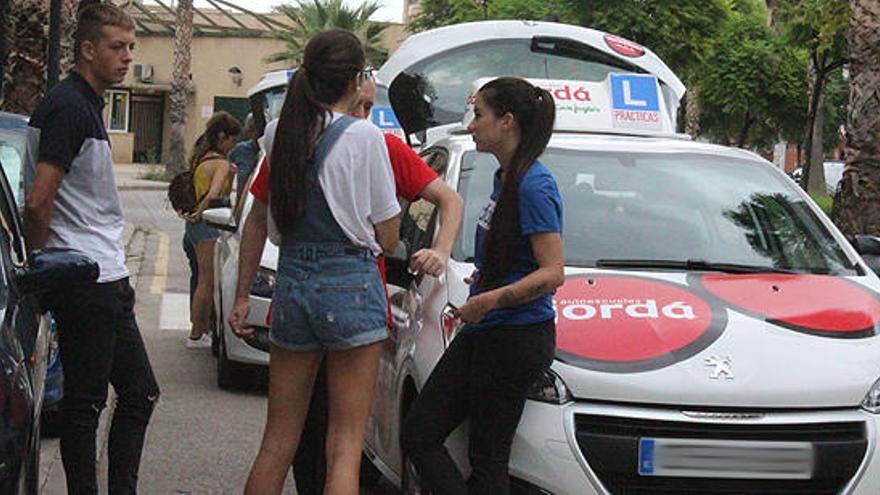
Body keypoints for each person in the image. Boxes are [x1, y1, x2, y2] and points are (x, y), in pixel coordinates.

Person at [228, 29, 401, 494]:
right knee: (343, 442)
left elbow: (260, 218)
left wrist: (244, 294)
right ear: (355, 79)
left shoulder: (276, 134)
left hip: (293, 281)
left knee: (278, 439)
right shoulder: (366, 137)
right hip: (350, 283)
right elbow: (388, 236)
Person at [283, 75, 465, 494]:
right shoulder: (297, 140)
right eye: (356, 105)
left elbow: (449, 200)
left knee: (323, 438)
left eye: (368, 107)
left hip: (318, 297)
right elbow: (258, 217)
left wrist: (439, 250)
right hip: (346, 299)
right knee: (317, 437)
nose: (362, 116)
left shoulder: (377, 145)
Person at [400, 77, 564, 494]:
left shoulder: (534, 184)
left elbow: (552, 272)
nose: (471, 125)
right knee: (420, 433)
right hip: (488, 330)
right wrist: (489, 275)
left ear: (506, 122)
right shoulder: (504, 177)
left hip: (515, 335)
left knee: (488, 457)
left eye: (479, 115)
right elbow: (519, 255)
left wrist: (489, 299)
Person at [22, 4, 160, 494]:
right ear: (86, 49)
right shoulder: (68, 106)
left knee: (139, 393)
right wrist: (39, 265)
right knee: (85, 407)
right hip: (84, 276)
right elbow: (39, 200)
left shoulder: (86, 104)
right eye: (115, 47)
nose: (126, 58)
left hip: (105, 275)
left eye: (130, 48)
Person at [183, 111, 241, 348]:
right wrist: (201, 212)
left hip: (194, 229)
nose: (234, 145)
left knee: (198, 279)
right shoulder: (221, 164)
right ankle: (197, 335)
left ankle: (198, 328)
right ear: (222, 137)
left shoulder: (202, 158)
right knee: (207, 282)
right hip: (208, 226)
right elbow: (215, 192)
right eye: (232, 140)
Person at [230, 113, 260, 199]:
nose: (258, 133)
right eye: (252, 129)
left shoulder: (270, 151)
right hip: (242, 203)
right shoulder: (240, 149)